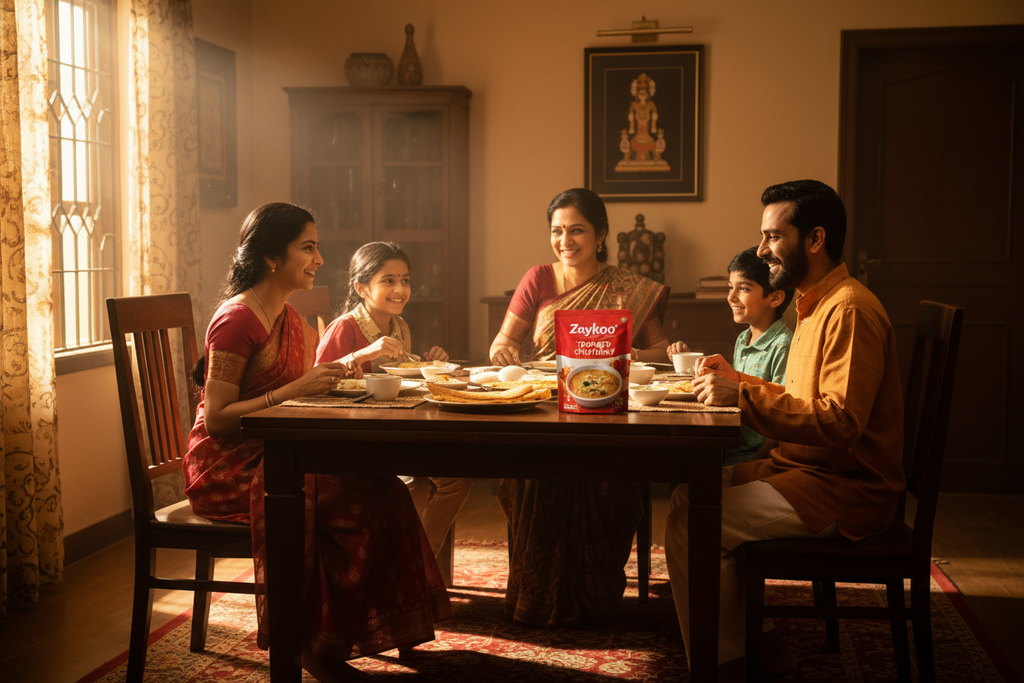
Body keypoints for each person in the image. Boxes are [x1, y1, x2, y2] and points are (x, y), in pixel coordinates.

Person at [183, 205, 452, 683]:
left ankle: (382, 624)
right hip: (229, 466)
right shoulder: (236, 320)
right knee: (356, 498)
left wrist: (330, 378)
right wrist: (293, 391)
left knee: (383, 486)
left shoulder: (286, 316)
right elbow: (220, 421)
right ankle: (310, 644)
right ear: (270, 256)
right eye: (307, 247)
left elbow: (309, 384)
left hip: (275, 448)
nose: (319, 259)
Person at [665, 180, 904, 681]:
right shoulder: (812, 303)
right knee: (689, 495)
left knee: (692, 527)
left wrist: (743, 397)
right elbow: (799, 394)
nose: (761, 250)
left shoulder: (850, 310)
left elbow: (840, 423)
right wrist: (737, 379)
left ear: (814, 240)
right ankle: (762, 641)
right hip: (801, 469)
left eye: (774, 237)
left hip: (843, 489)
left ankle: (728, 665)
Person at [488, 187, 670, 625]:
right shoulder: (538, 279)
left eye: (577, 230)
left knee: (606, 481)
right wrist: (505, 355)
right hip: (544, 411)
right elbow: (502, 344)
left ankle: (596, 594)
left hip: (607, 413)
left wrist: (622, 357)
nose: (565, 240)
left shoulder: (630, 287)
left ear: (601, 235)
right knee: (534, 473)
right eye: (557, 231)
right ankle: (535, 595)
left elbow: (660, 353)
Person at [315, 241, 472, 559]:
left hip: (391, 430)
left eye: (405, 280)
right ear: (361, 287)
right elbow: (315, 385)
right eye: (388, 280)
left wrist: (429, 362)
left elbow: (402, 375)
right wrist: (365, 353)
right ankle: (414, 566)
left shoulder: (400, 327)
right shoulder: (343, 328)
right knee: (416, 480)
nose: (400, 289)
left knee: (458, 475)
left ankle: (417, 562)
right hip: (349, 440)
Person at [719, 245, 793, 465]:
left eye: (743, 289)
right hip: (730, 448)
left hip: (757, 459)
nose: (731, 297)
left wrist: (755, 465)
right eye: (730, 287)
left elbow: (782, 418)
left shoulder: (783, 345)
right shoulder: (743, 339)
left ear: (775, 297)